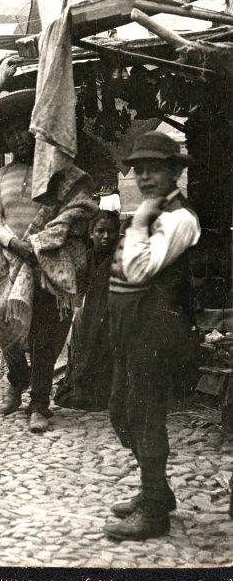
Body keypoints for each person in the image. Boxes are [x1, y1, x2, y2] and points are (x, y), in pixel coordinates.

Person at [104, 131, 200, 541]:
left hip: (159, 330)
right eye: (138, 169)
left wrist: (139, 222)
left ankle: (155, 509)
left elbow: (141, 270)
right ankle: (155, 488)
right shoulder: (152, 209)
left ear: (175, 172)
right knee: (120, 411)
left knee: (144, 414)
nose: (144, 177)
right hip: (133, 327)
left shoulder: (178, 218)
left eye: (153, 169)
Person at [0, 91, 96, 433]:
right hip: (8, 264)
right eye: (9, 133)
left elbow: (80, 209)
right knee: (9, 332)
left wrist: (44, 242)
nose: (16, 138)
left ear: (36, 134)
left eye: (22, 131)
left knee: (45, 334)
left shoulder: (59, 176)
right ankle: (17, 380)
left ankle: (40, 403)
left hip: (46, 265)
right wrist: (15, 242)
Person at [54, 210, 121, 411]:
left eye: (111, 232)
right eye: (100, 231)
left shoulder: (122, 258)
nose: (106, 236)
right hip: (90, 315)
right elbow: (77, 292)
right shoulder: (86, 259)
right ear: (91, 233)